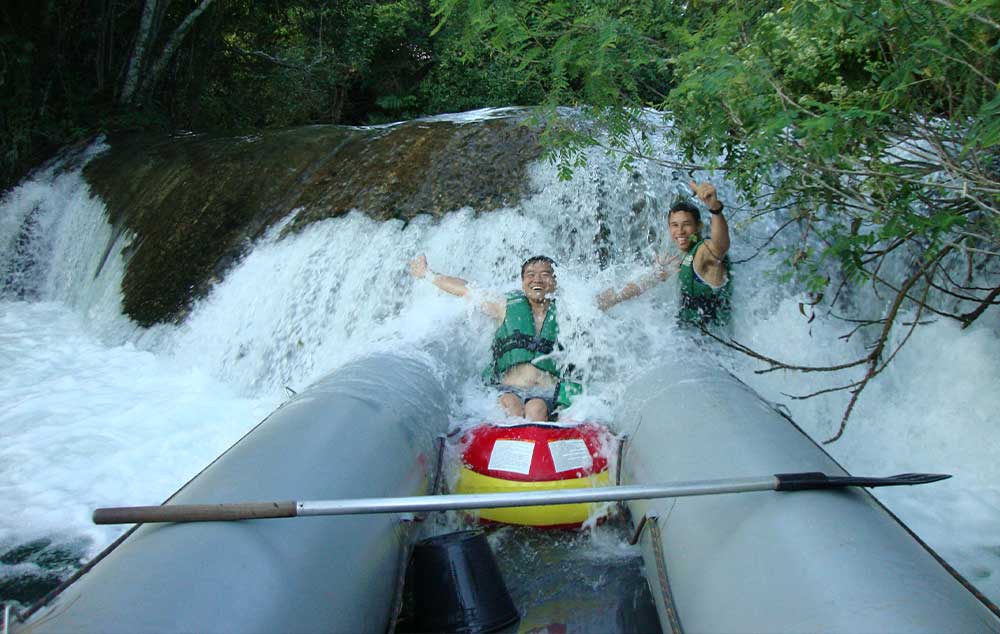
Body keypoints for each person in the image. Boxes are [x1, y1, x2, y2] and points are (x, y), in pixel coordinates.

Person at [409, 254, 581, 422]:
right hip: (508, 389)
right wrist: (428, 274)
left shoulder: (570, 312)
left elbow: (599, 301)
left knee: (536, 408)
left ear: (555, 282)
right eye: (530, 275)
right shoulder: (504, 306)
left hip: (547, 393)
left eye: (545, 274)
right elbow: (466, 289)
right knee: (510, 405)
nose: (537, 279)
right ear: (522, 283)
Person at [599, 180, 732, 327]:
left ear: (698, 226)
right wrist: (615, 298)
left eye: (686, 224)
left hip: (712, 343)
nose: (680, 231)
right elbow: (647, 282)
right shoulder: (684, 257)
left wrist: (715, 209)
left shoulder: (703, 252)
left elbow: (719, 247)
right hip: (689, 340)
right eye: (674, 225)